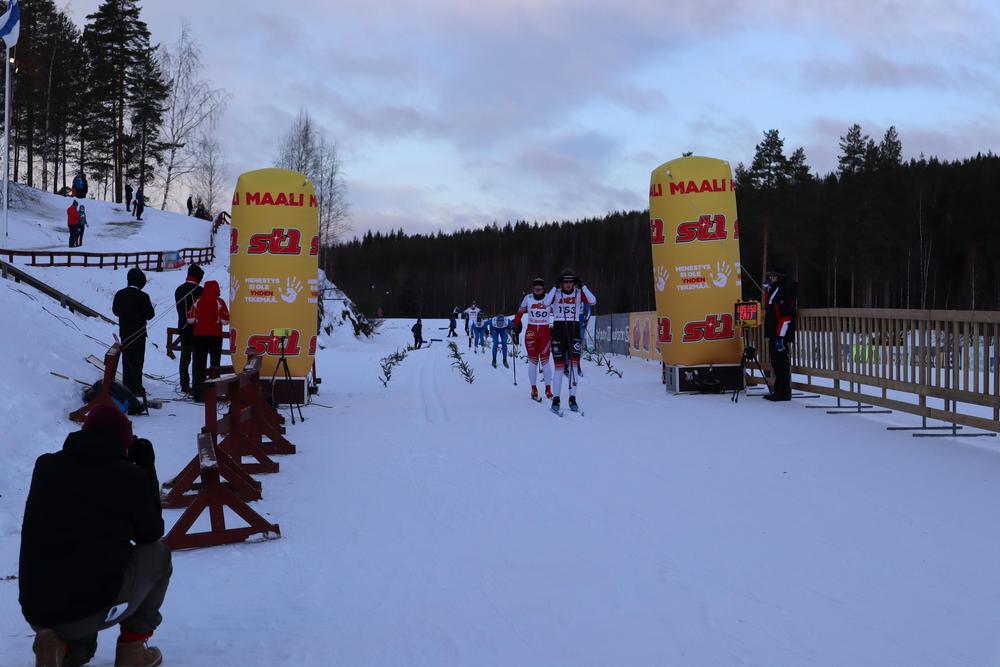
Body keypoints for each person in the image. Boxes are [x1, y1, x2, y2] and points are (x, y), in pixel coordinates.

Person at [19, 405, 171, 667]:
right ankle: (133, 649)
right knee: (158, 554)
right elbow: (151, 532)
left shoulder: (45, 466)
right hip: (89, 609)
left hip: (37, 611)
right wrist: (146, 469)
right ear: (123, 444)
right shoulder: (128, 476)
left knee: (81, 652)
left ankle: (57, 644)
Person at [544, 268, 596, 414]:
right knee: (559, 367)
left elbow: (593, 301)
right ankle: (556, 399)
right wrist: (554, 286)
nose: (568, 284)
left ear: (574, 282)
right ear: (561, 282)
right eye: (565, 281)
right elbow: (546, 303)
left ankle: (573, 398)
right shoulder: (556, 293)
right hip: (558, 330)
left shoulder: (579, 293)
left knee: (574, 366)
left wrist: (583, 286)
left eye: (571, 281)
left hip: (574, 330)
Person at [112, 268, 155, 403]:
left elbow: (115, 311)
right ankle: (135, 389)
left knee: (127, 361)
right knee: (137, 362)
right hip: (139, 335)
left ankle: (126, 387)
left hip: (125, 333)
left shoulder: (120, 294)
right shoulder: (144, 296)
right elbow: (150, 315)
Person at [187, 280, 230, 403]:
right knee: (215, 365)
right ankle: (213, 393)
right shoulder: (219, 301)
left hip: (199, 336)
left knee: (199, 365)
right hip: (215, 336)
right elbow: (225, 320)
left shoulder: (198, 300)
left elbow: (190, 319)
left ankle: (198, 394)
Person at [513, 278, 554, 401]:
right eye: (535, 289)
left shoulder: (549, 297)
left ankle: (548, 389)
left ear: (543, 289)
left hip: (545, 331)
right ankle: (533, 388)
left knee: (545, 361)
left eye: (540, 289)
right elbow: (520, 312)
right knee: (533, 361)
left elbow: (558, 311)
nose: (537, 291)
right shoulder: (528, 298)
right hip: (531, 332)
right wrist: (514, 325)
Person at [763, 266, 798, 401]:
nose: (770, 278)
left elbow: (786, 316)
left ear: (779, 277)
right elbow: (770, 306)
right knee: (776, 362)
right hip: (775, 333)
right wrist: (768, 289)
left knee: (781, 362)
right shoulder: (775, 289)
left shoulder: (785, 289)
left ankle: (783, 391)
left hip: (780, 334)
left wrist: (780, 336)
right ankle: (778, 390)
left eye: (773, 276)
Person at [174, 264, 205, 394]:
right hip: (197, 329)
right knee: (197, 359)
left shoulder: (179, 289)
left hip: (183, 326)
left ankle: (184, 385)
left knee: (185, 358)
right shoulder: (201, 291)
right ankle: (197, 385)